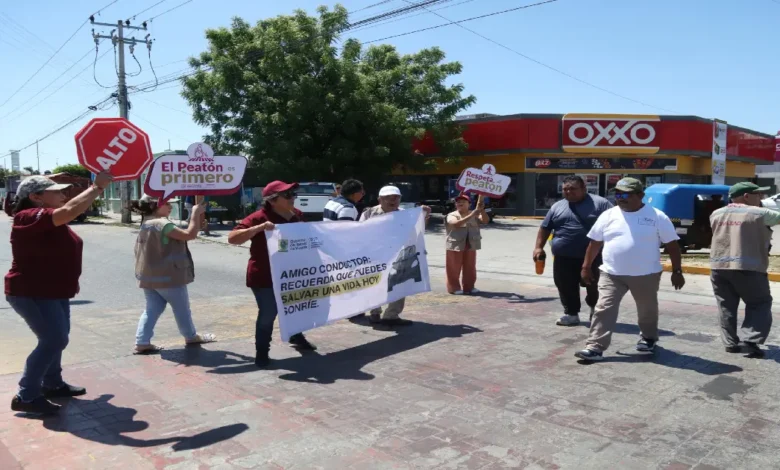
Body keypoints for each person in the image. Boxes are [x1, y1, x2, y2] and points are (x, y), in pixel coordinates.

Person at [6, 172, 113, 415]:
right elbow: (70, 210)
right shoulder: (27, 216)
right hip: (32, 291)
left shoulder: (49, 219)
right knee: (54, 339)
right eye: (56, 191)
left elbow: (67, 216)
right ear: (36, 197)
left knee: (56, 338)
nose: (63, 194)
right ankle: (26, 395)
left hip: (54, 290)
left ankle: (52, 383)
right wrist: (96, 188)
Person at [574, 177, 685, 362]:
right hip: (611, 273)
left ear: (640, 195)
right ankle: (595, 346)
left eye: (625, 195)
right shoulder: (608, 215)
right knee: (603, 308)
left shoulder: (657, 216)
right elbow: (595, 243)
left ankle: (648, 338)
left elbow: (673, 246)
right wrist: (586, 267)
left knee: (647, 309)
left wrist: (677, 271)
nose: (620, 198)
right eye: (617, 194)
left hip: (645, 274)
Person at [228, 181, 316, 368]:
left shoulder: (297, 215)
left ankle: (296, 335)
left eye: (293, 194)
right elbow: (232, 238)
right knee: (268, 313)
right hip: (264, 276)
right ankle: (262, 352)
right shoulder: (259, 217)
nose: (293, 198)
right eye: (288, 195)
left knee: (295, 307)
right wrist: (258, 228)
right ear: (272, 200)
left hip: (292, 275)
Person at [131, 194, 216, 354]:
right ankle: (191, 336)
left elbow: (186, 232)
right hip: (168, 277)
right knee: (182, 308)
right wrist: (195, 213)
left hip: (149, 278)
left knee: (152, 309)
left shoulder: (147, 223)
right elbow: (189, 235)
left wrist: (197, 221)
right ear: (155, 206)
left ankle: (142, 341)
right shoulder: (162, 223)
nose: (170, 207)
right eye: (167, 204)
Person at [709, 182, 780, 358]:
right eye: (758, 194)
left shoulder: (716, 213)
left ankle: (730, 343)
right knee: (760, 303)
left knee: (726, 306)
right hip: (749, 267)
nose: (762, 198)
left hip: (719, 267)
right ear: (746, 196)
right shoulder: (760, 213)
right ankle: (750, 340)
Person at [534, 176, 612, 326]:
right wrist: (538, 247)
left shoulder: (601, 204)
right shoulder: (557, 206)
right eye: (565, 189)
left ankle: (595, 309)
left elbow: (615, 224)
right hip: (563, 257)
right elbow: (545, 228)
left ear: (584, 189)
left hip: (594, 257)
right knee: (565, 285)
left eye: (572, 189)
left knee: (595, 286)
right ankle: (571, 313)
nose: (568, 192)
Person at [359, 185, 431, 326]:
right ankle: (375, 312)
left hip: (399, 255)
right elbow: (359, 232)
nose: (392, 200)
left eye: (396, 197)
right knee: (376, 285)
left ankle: (391, 315)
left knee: (400, 284)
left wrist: (424, 215)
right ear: (380, 199)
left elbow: (418, 230)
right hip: (376, 256)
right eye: (388, 198)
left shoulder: (405, 214)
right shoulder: (369, 213)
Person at [445, 193, 488, 295]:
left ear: (469, 204)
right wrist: (472, 214)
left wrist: (482, 210)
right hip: (455, 245)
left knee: (470, 267)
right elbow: (456, 224)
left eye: (463, 202)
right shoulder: (452, 215)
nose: (460, 203)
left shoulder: (475, 213)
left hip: (471, 244)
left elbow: (485, 221)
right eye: (458, 202)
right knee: (453, 268)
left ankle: (469, 287)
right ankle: (454, 288)